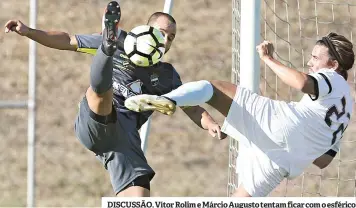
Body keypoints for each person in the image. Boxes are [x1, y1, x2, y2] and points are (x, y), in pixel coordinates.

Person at [4, 1, 226, 197]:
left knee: (138, 195)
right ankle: (105, 48)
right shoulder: (123, 41)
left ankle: (105, 54)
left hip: (122, 142)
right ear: (148, 30)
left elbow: (190, 106)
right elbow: (67, 40)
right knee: (102, 94)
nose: (166, 40)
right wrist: (29, 31)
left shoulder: (167, 75)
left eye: (172, 37)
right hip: (94, 118)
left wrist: (210, 124)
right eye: (162, 33)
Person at [124, 32, 354, 197]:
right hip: (287, 160)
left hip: (283, 126)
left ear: (333, 65)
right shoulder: (347, 108)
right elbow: (324, 160)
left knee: (214, 89)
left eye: (315, 58)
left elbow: (302, 82)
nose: (310, 62)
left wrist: (268, 59)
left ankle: (169, 99)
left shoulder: (331, 78)